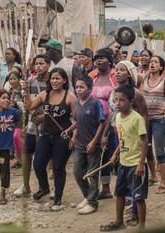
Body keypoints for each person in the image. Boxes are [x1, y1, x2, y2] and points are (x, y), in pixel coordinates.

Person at [25, 67, 77, 211]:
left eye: (58, 78)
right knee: (38, 164)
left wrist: (73, 136)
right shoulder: (44, 94)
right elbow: (29, 106)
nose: (54, 81)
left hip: (63, 137)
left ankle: (58, 198)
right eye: (53, 78)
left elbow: (77, 119)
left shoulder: (70, 97)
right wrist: (25, 92)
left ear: (64, 80)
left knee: (58, 167)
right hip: (45, 135)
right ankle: (44, 188)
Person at [99, 85, 148, 231]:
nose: (118, 103)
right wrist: (115, 155)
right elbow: (123, 140)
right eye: (116, 100)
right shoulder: (118, 118)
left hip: (136, 163)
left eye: (122, 100)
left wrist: (141, 164)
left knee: (138, 197)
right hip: (123, 162)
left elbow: (145, 142)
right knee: (119, 193)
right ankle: (118, 221)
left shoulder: (137, 119)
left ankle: (142, 227)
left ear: (131, 101)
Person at [14, 54, 51, 197]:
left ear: (48, 64)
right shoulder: (29, 81)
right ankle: (26, 185)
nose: (38, 66)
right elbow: (26, 104)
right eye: (36, 64)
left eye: (42, 63)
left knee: (49, 157)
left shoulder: (54, 81)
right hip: (32, 123)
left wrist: (45, 116)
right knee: (26, 152)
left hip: (49, 124)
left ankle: (49, 186)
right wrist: (25, 91)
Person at [142, 55, 165, 194]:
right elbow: (139, 95)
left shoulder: (164, 82)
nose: (152, 64)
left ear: (161, 67)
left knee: (160, 151)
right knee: (147, 149)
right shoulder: (144, 79)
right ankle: (153, 176)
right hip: (145, 120)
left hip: (159, 120)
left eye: (156, 62)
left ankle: (163, 183)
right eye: (151, 62)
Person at [72, 75, 105, 215]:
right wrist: (72, 136)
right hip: (79, 144)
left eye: (82, 87)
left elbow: (102, 122)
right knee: (77, 172)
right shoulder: (76, 104)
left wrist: (94, 141)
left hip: (93, 145)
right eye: (77, 87)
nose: (78, 90)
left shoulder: (95, 103)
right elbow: (76, 122)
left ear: (90, 89)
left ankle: (93, 203)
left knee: (92, 174)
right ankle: (87, 195)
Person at [89, 48, 118, 200]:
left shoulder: (115, 78)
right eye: (97, 58)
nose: (99, 60)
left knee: (113, 156)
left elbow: (116, 106)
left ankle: (123, 189)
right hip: (95, 124)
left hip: (111, 124)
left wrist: (106, 131)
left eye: (103, 58)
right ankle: (105, 189)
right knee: (100, 156)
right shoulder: (92, 78)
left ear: (110, 60)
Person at [4, 71, 25, 168]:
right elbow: (8, 105)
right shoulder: (8, 91)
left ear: (19, 79)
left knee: (17, 136)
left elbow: (21, 104)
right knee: (14, 138)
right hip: (12, 117)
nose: (12, 81)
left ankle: (26, 156)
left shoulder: (22, 91)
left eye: (14, 79)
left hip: (22, 116)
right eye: (10, 79)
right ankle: (19, 159)